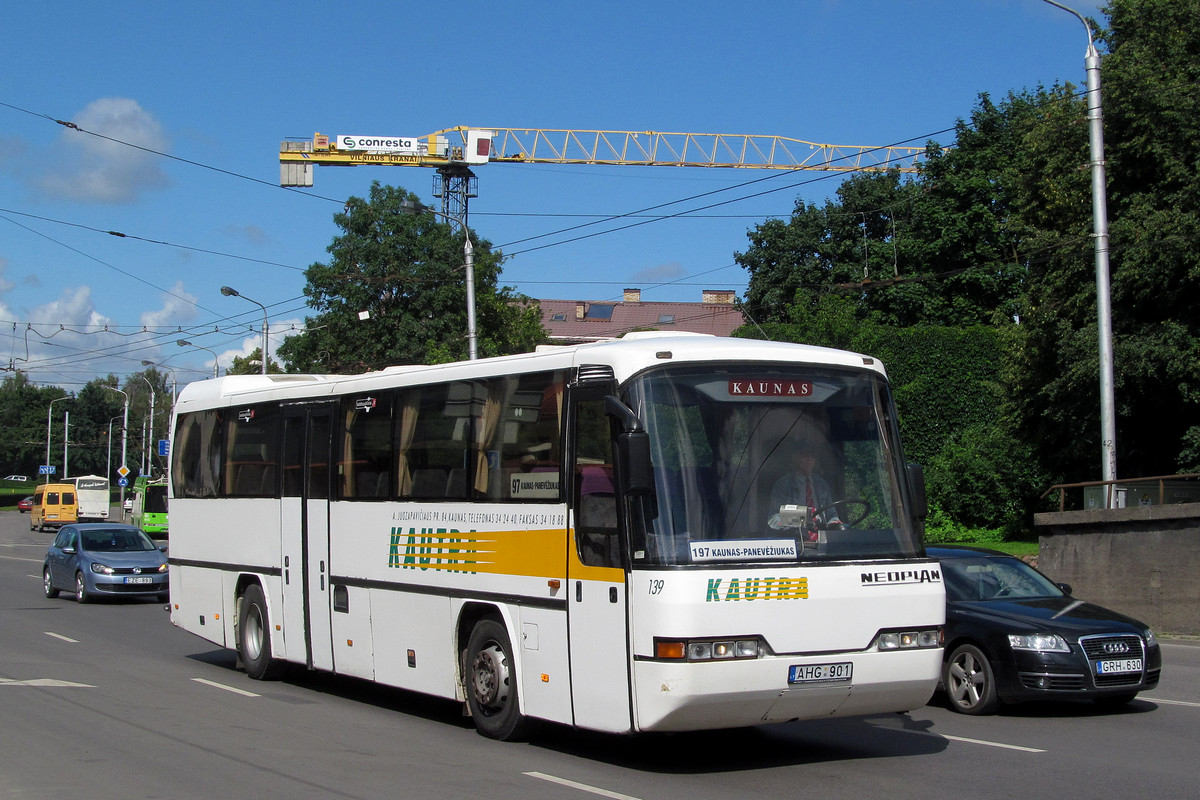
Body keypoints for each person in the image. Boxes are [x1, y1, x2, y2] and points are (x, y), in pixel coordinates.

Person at [766, 440, 841, 539]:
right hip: (794, 544)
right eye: (804, 455)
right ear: (794, 457)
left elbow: (831, 515)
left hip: (821, 543)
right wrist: (802, 519)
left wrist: (834, 522)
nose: (809, 459)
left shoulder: (822, 485)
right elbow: (773, 519)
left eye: (812, 455)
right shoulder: (782, 485)